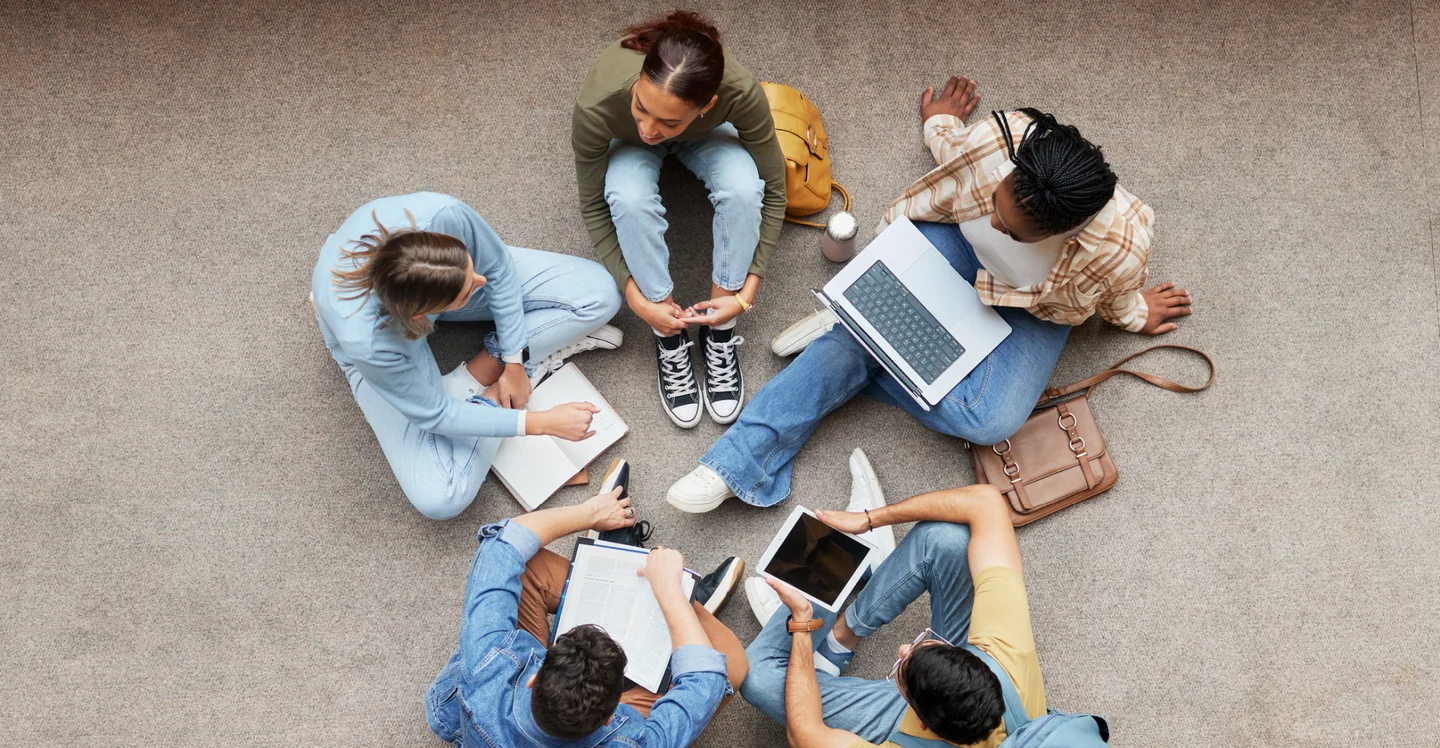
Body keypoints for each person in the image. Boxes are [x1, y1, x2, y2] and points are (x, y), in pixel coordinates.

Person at [666, 76, 1193, 512]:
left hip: (1034, 305)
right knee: (881, 347)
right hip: (947, 245)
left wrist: (1135, 313)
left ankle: (858, 333)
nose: (993, 220)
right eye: (996, 203)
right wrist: (940, 122)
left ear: (1065, 230)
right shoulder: (1001, 141)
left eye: (1011, 229)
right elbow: (954, 152)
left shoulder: (1120, 247)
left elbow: (1116, 295)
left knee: (989, 420)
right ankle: (737, 460)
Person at [424, 464, 747, 748]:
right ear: (612, 717)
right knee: (731, 659)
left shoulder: (489, 668)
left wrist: (590, 511)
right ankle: (677, 597)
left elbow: (503, 546)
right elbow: (707, 681)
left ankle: (616, 567)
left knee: (527, 568)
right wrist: (669, 589)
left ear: (534, 678)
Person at [311, 191, 622, 520]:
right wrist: (538, 422)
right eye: (467, 290)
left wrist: (514, 361)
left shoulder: (443, 215)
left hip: (427, 295)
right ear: (423, 315)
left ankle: (489, 366)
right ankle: (491, 392)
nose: (481, 281)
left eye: (470, 267)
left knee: (600, 295)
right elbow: (435, 415)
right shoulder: (369, 344)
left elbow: (497, 269)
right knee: (442, 496)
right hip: (387, 341)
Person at [739, 484, 1046, 748]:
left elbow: (805, 737)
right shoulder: (1005, 646)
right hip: (979, 695)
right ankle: (837, 642)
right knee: (946, 538)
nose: (902, 648)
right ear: (973, 657)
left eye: (902, 669)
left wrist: (801, 620)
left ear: (920, 722)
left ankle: (820, 588)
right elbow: (985, 501)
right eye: (921, 645)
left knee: (757, 676)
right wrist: (870, 520)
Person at [573, 10, 786, 428]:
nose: (651, 128)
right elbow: (594, 205)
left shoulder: (738, 93)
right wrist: (636, 298)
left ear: (707, 105)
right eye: (641, 107)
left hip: (706, 136)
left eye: (667, 121)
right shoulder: (598, 106)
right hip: (625, 145)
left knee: (745, 189)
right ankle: (666, 329)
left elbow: (775, 189)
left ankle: (719, 320)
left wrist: (744, 293)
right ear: (636, 87)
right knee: (627, 198)